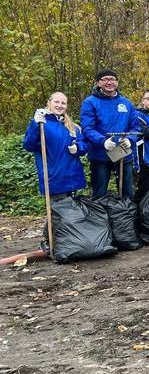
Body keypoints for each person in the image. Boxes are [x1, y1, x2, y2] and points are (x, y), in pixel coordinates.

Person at [23, 93, 88, 254]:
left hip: (71, 174)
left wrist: (78, 148)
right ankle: (47, 240)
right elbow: (29, 145)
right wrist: (34, 124)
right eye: (57, 102)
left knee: (65, 210)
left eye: (63, 103)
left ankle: (63, 239)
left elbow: (83, 145)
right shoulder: (42, 124)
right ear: (49, 103)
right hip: (53, 174)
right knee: (55, 209)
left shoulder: (71, 126)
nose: (60, 105)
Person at [80, 69, 138, 199]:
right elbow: (87, 128)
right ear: (98, 83)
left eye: (112, 79)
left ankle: (126, 216)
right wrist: (103, 141)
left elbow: (135, 126)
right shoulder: (90, 102)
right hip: (100, 153)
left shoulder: (126, 103)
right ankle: (99, 217)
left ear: (117, 82)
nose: (109, 82)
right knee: (100, 192)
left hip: (122, 151)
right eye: (105, 79)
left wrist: (130, 139)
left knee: (127, 191)